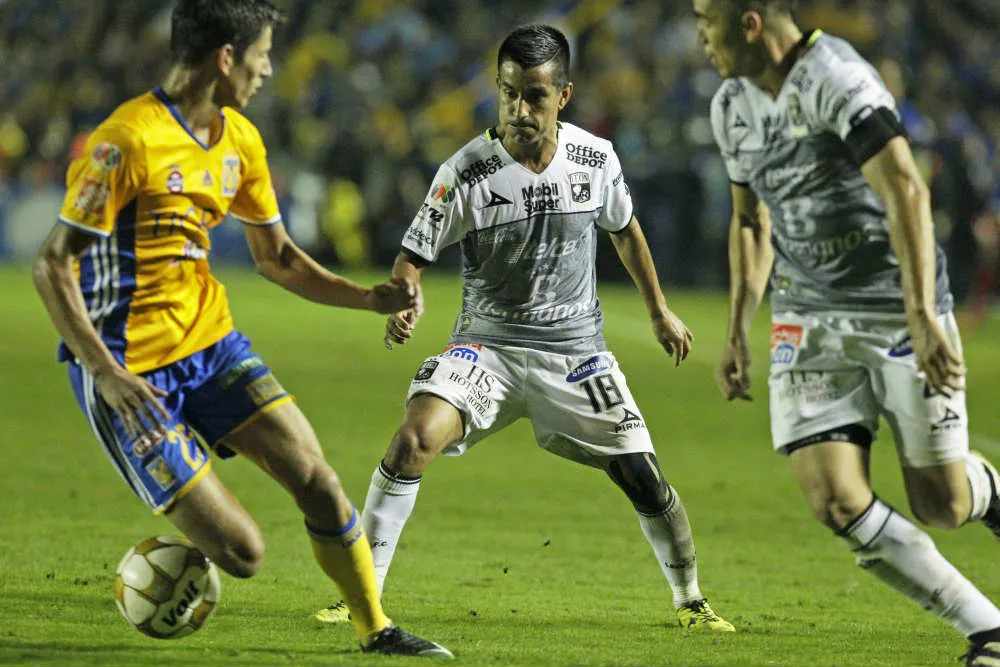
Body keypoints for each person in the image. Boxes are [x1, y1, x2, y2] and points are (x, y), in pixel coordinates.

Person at [31, 0, 452, 658]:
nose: (268, 69)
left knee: (318, 478)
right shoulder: (126, 140)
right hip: (129, 372)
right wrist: (105, 373)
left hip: (211, 344)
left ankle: (377, 628)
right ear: (226, 58)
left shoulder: (240, 140)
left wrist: (371, 299)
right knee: (243, 552)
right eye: (261, 55)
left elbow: (278, 258)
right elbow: (52, 265)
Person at [314, 24, 734, 633]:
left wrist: (659, 311)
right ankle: (361, 592)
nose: (518, 109)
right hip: (487, 349)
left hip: (576, 353)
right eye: (508, 93)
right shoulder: (465, 172)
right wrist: (406, 297)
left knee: (642, 474)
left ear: (563, 94)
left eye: (534, 96)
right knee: (412, 440)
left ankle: (691, 600)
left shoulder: (596, 159)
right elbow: (414, 252)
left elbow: (625, 230)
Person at [695, 0, 1000, 663]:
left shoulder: (836, 76)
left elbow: (906, 192)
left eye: (706, 16)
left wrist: (922, 314)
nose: (699, 34)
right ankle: (988, 628)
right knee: (835, 498)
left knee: (942, 502)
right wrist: (739, 330)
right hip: (806, 317)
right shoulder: (730, 105)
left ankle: (991, 491)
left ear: (751, 21)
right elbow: (751, 221)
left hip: (894, 307)